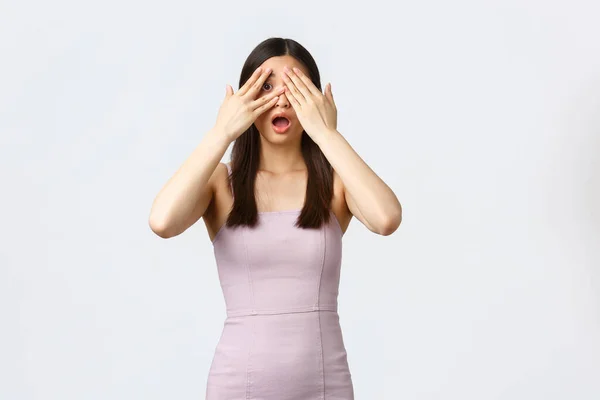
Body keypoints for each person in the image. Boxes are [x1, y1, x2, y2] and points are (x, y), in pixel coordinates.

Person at [148, 37, 402, 400]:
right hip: (238, 386)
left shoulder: (335, 184)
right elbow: (162, 221)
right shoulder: (222, 183)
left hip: (326, 385)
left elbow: (386, 218)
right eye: (266, 86)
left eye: (295, 87)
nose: (281, 98)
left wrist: (328, 134)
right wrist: (222, 132)